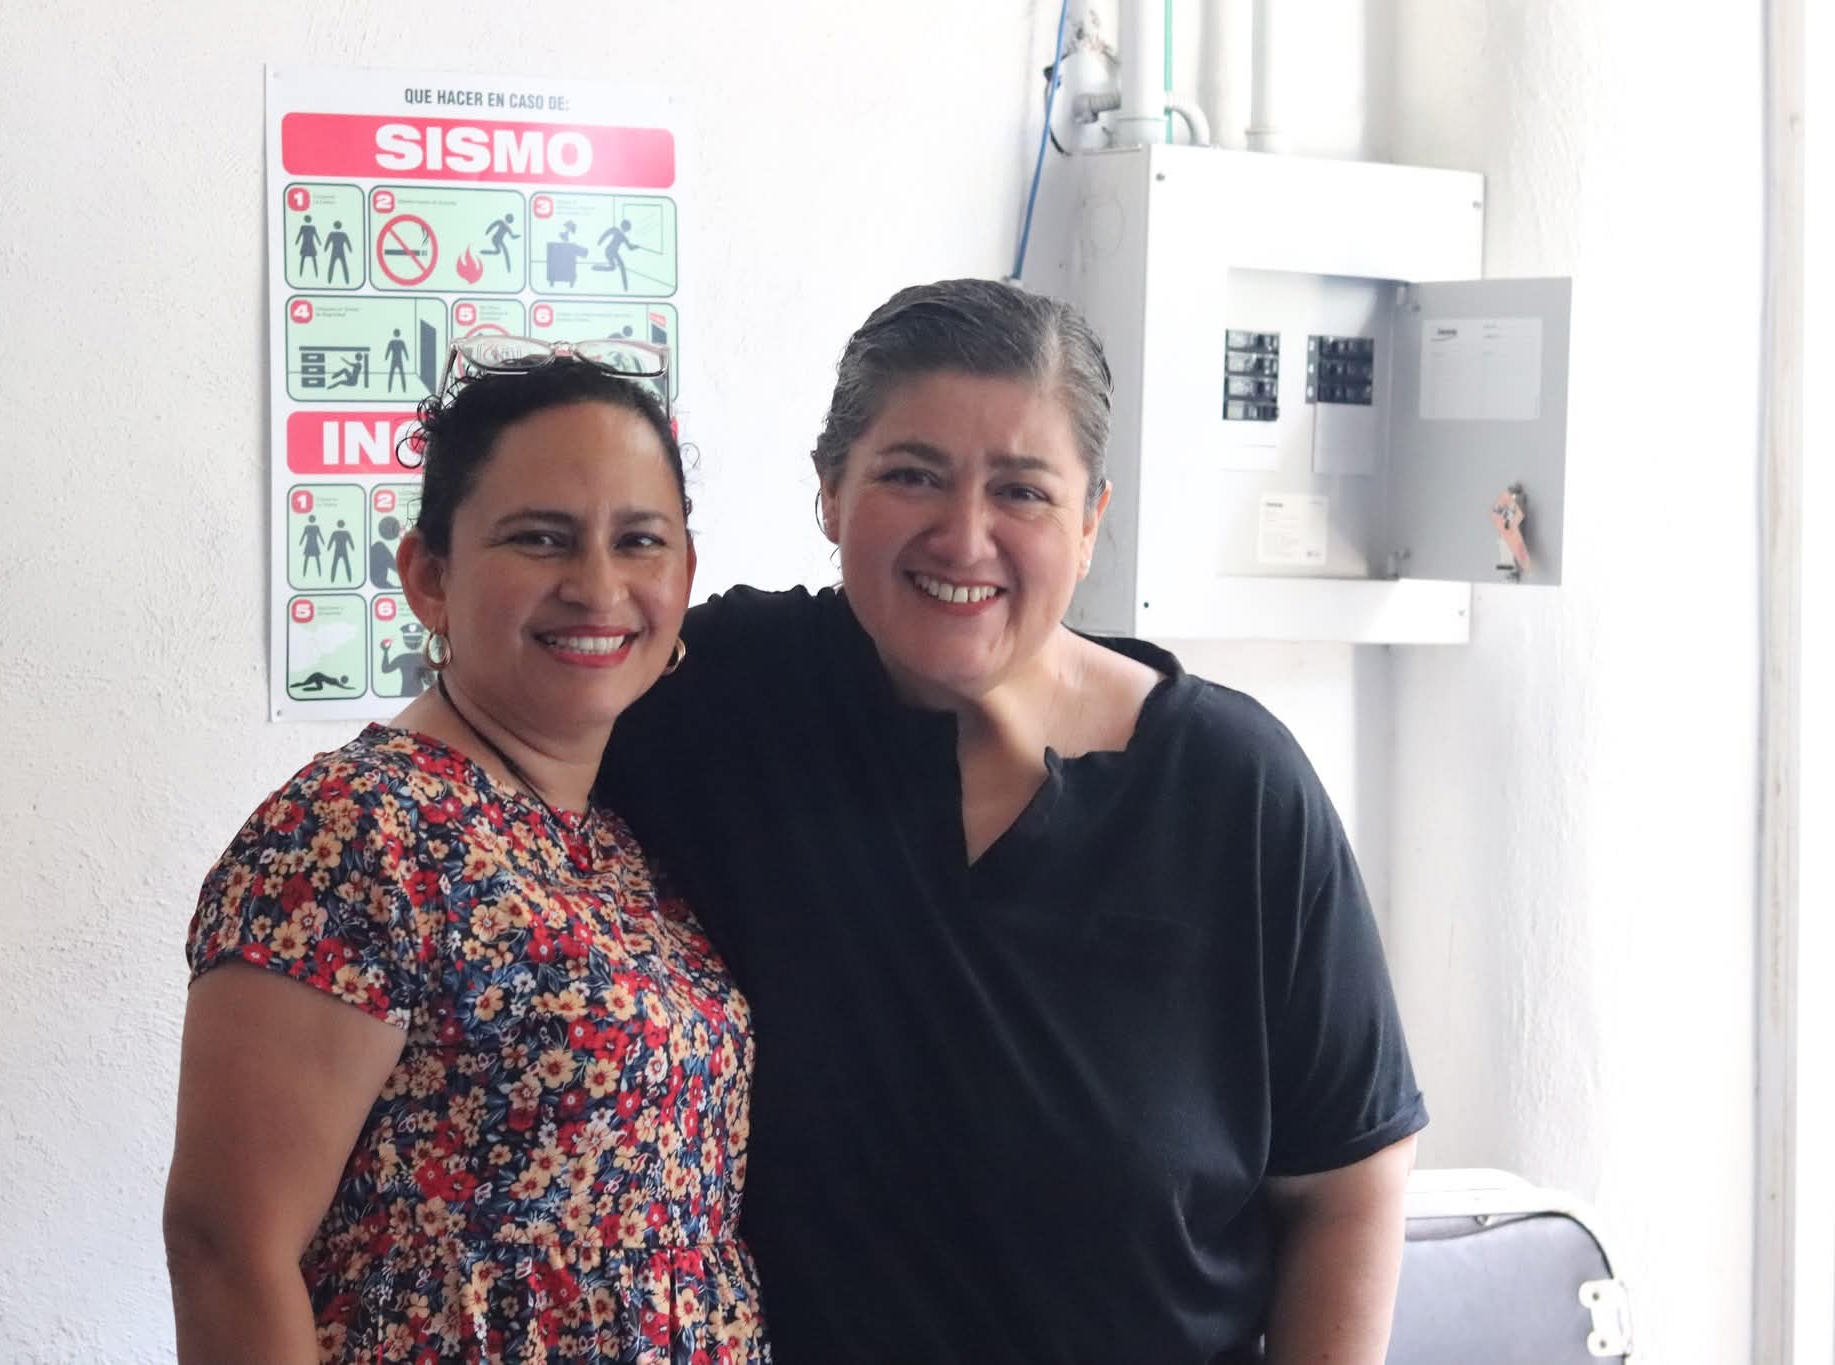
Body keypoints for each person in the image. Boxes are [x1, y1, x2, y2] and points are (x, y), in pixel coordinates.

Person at [600, 279, 1424, 1364]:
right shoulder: (712, 705)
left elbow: (1345, 1185)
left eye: (1023, 493)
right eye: (911, 475)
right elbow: (485, 749)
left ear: (1089, 523)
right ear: (829, 493)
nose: (963, 536)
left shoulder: (1231, 790)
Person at [165, 357, 767, 1364]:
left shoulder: (617, 843)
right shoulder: (355, 833)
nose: (597, 586)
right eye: (539, 538)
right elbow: (225, 1248)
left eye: (639, 542)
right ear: (429, 577)